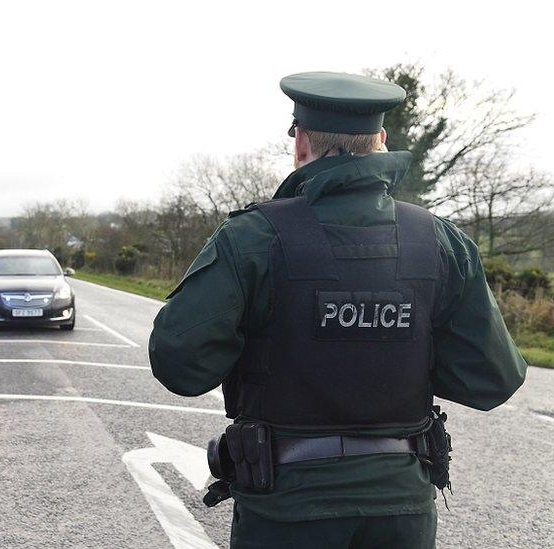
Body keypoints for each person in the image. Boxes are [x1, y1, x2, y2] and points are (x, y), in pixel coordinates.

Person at [148, 71, 528, 549]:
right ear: (381, 141)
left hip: (286, 511)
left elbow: (180, 364)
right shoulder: (440, 241)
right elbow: (492, 379)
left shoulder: (252, 237)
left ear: (301, 142)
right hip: (401, 512)